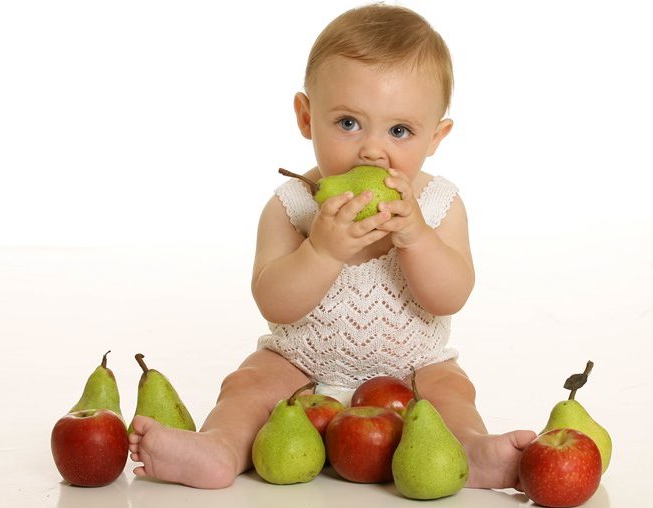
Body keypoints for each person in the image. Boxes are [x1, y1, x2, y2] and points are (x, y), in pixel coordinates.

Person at [128, 3, 536, 490]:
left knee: (451, 389)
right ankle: (220, 448)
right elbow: (274, 303)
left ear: (436, 137)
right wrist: (321, 252)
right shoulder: (292, 205)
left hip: (412, 370)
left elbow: (450, 297)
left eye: (400, 131)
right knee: (249, 384)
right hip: (299, 365)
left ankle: (468, 450)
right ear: (306, 117)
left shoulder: (438, 204)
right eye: (348, 123)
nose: (371, 150)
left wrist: (416, 237)